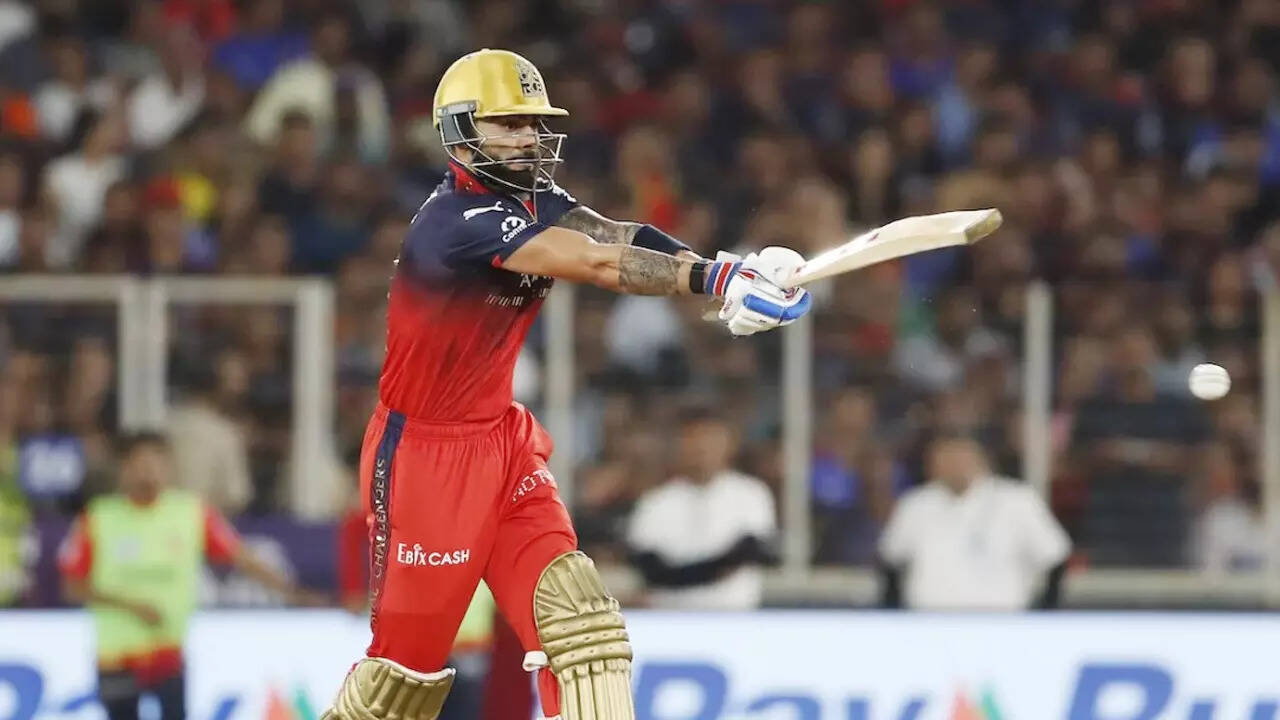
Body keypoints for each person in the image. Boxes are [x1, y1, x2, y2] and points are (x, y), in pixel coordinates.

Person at [322, 49, 812, 720]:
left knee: (585, 635)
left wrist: (725, 269)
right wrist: (714, 281)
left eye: (533, 123)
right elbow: (596, 261)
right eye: (508, 123)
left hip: (502, 442)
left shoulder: (533, 200)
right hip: (425, 460)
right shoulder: (456, 222)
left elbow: (617, 233)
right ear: (459, 130)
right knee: (400, 684)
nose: (528, 136)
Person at [57, 432, 322, 720]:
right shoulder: (99, 518)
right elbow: (73, 587)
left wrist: (292, 591)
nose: (148, 472)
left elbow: (241, 557)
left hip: (167, 653)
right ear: (124, 468)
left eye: (155, 463)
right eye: (140, 464)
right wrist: (132, 607)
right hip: (117, 655)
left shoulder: (190, 513)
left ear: (168, 468)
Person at [878, 432, 1071, 611]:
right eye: (945, 457)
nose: (954, 464)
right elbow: (890, 559)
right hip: (928, 622)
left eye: (960, 456)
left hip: (1001, 622)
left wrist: (1045, 616)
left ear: (981, 458)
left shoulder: (1016, 499)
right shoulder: (916, 504)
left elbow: (1055, 557)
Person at [625, 407, 777, 610]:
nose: (701, 448)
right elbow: (651, 570)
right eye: (693, 438)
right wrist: (715, 568)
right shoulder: (655, 502)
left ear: (730, 443)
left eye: (711, 439)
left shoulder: (751, 494)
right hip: (669, 618)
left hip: (735, 617)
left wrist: (678, 574)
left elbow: (746, 554)